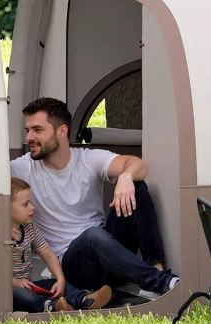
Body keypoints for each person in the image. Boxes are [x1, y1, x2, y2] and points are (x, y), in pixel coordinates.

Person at [10, 97, 179, 302]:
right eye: (28, 130)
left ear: (61, 131)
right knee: (92, 237)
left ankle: (155, 270)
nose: (29, 137)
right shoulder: (22, 169)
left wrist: (125, 177)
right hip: (75, 266)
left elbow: (139, 165)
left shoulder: (88, 160)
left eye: (37, 130)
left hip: (109, 252)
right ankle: (161, 282)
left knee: (136, 185)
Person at [9, 178, 111, 313]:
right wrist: (15, 282)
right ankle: (50, 306)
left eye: (31, 202)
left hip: (29, 284)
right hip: (8, 290)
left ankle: (85, 300)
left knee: (52, 285)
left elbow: (48, 255)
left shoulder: (30, 228)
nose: (32, 207)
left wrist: (60, 279)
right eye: (25, 204)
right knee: (19, 295)